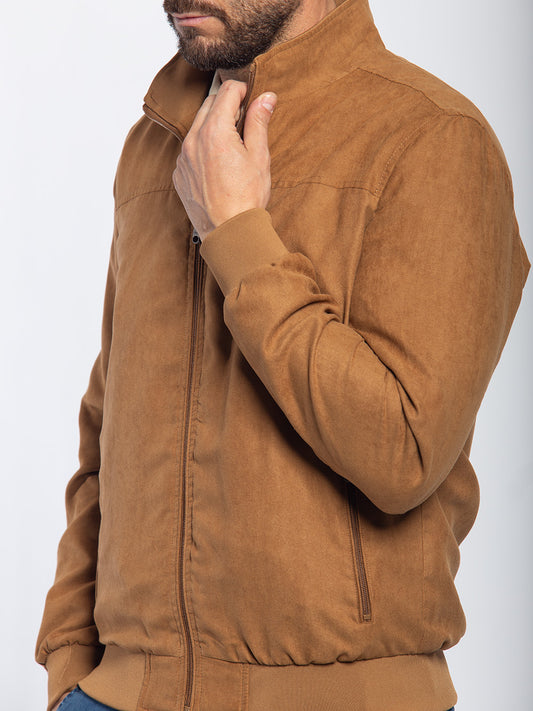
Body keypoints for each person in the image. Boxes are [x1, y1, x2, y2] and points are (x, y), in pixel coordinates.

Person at [36, 0, 529, 709]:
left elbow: (405, 452)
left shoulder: (432, 135)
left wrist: (238, 232)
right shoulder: (158, 140)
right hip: (115, 695)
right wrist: (69, 662)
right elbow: (107, 427)